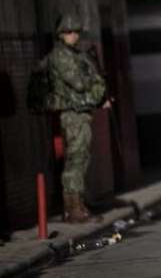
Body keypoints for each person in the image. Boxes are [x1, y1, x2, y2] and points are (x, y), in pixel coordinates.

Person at [47, 13, 111, 223]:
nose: (74, 35)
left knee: (82, 158)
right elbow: (79, 83)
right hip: (71, 114)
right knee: (75, 159)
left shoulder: (75, 55)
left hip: (81, 112)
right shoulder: (60, 56)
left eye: (76, 31)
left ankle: (79, 204)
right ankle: (73, 209)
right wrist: (93, 79)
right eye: (69, 31)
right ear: (61, 34)